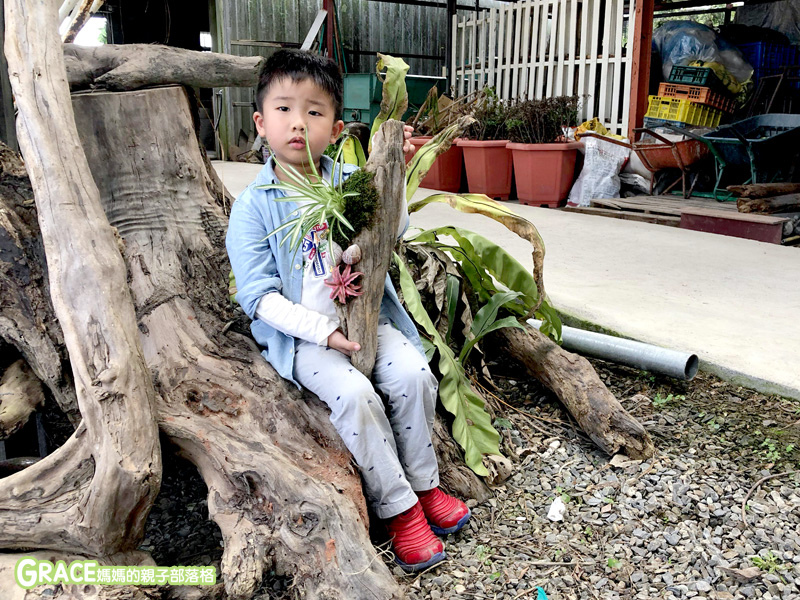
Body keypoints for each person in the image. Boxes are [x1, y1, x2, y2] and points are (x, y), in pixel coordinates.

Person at [225, 49, 470, 572]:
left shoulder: (349, 181)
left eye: (314, 112)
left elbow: (392, 230)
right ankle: (400, 509)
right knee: (357, 397)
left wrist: (393, 172)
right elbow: (259, 297)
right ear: (261, 123)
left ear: (336, 130)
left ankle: (425, 486)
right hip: (307, 339)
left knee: (413, 376)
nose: (298, 122)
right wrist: (324, 333)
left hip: (370, 321)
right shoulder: (255, 206)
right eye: (284, 109)